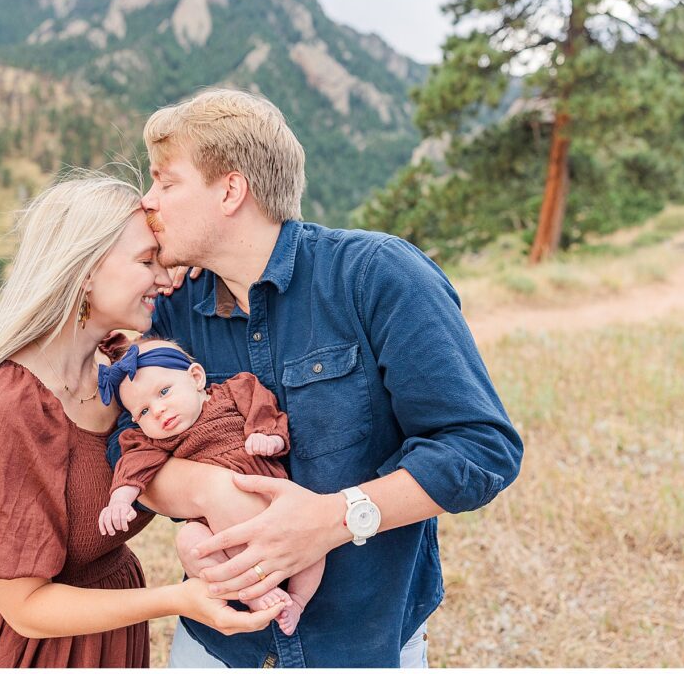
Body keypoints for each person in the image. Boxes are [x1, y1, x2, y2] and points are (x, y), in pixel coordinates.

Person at [105, 89, 524, 667]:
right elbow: (120, 448)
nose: (149, 202)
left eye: (166, 182)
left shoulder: (376, 275)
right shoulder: (175, 314)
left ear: (230, 190)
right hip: (218, 646)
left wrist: (333, 518)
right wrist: (209, 492)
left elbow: (481, 450)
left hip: (363, 643)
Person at [0, 174, 284, 668]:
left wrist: (204, 265)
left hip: (107, 636)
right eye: (146, 261)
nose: (163, 274)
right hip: (23, 650)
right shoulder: (2, 407)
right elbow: (25, 609)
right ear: (85, 271)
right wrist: (178, 600)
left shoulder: (125, 375)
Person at [96, 335, 325, 636]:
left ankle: (296, 600)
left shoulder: (232, 393)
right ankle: (254, 593)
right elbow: (134, 464)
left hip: (272, 508)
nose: (159, 410)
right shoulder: (155, 440)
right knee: (190, 540)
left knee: (315, 537)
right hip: (221, 533)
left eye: (164, 392)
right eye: (143, 412)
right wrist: (120, 500)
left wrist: (269, 437)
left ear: (196, 377)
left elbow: (263, 408)